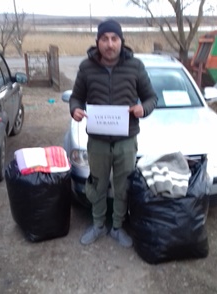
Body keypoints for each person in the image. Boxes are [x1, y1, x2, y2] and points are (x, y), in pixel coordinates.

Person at [69, 19, 157, 248]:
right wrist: (75, 110)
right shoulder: (86, 67)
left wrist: (142, 109)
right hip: (97, 141)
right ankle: (98, 224)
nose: (110, 44)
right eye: (104, 39)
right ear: (98, 42)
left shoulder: (135, 66)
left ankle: (117, 226)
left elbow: (151, 98)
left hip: (126, 140)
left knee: (123, 185)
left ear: (121, 41)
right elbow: (76, 97)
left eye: (114, 39)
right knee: (96, 183)